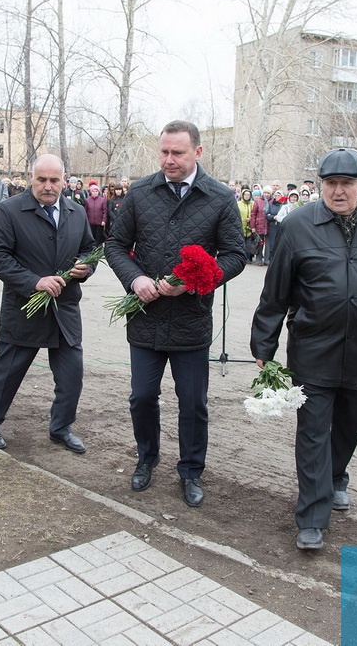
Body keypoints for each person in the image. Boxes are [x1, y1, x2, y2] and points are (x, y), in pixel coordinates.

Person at [250, 148, 357, 550]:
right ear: (321, 184)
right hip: (312, 346)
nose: (338, 191)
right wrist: (264, 343)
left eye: (348, 183)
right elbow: (275, 292)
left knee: (349, 426)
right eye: (331, 183)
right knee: (312, 432)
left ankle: (336, 476)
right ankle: (311, 516)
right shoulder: (297, 226)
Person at [104, 120, 246, 508]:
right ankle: (146, 458)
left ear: (197, 152)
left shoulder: (219, 197)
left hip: (191, 320)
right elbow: (115, 245)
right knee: (142, 397)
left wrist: (197, 280)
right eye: (164, 152)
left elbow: (236, 255)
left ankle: (191, 471)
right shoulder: (140, 192)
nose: (169, 160)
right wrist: (135, 280)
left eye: (177, 153)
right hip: (146, 318)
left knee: (193, 402)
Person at [0, 154, 97, 451]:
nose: (47, 186)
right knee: (9, 371)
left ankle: (61, 427)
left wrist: (86, 266)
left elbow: (89, 247)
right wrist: (34, 282)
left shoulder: (76, 211)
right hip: (24, 308)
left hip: (64, 307)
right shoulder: (10, 211)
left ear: (64, 180)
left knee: (72, 375)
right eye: (41, 179)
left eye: (54, 180)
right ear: (31, 178)